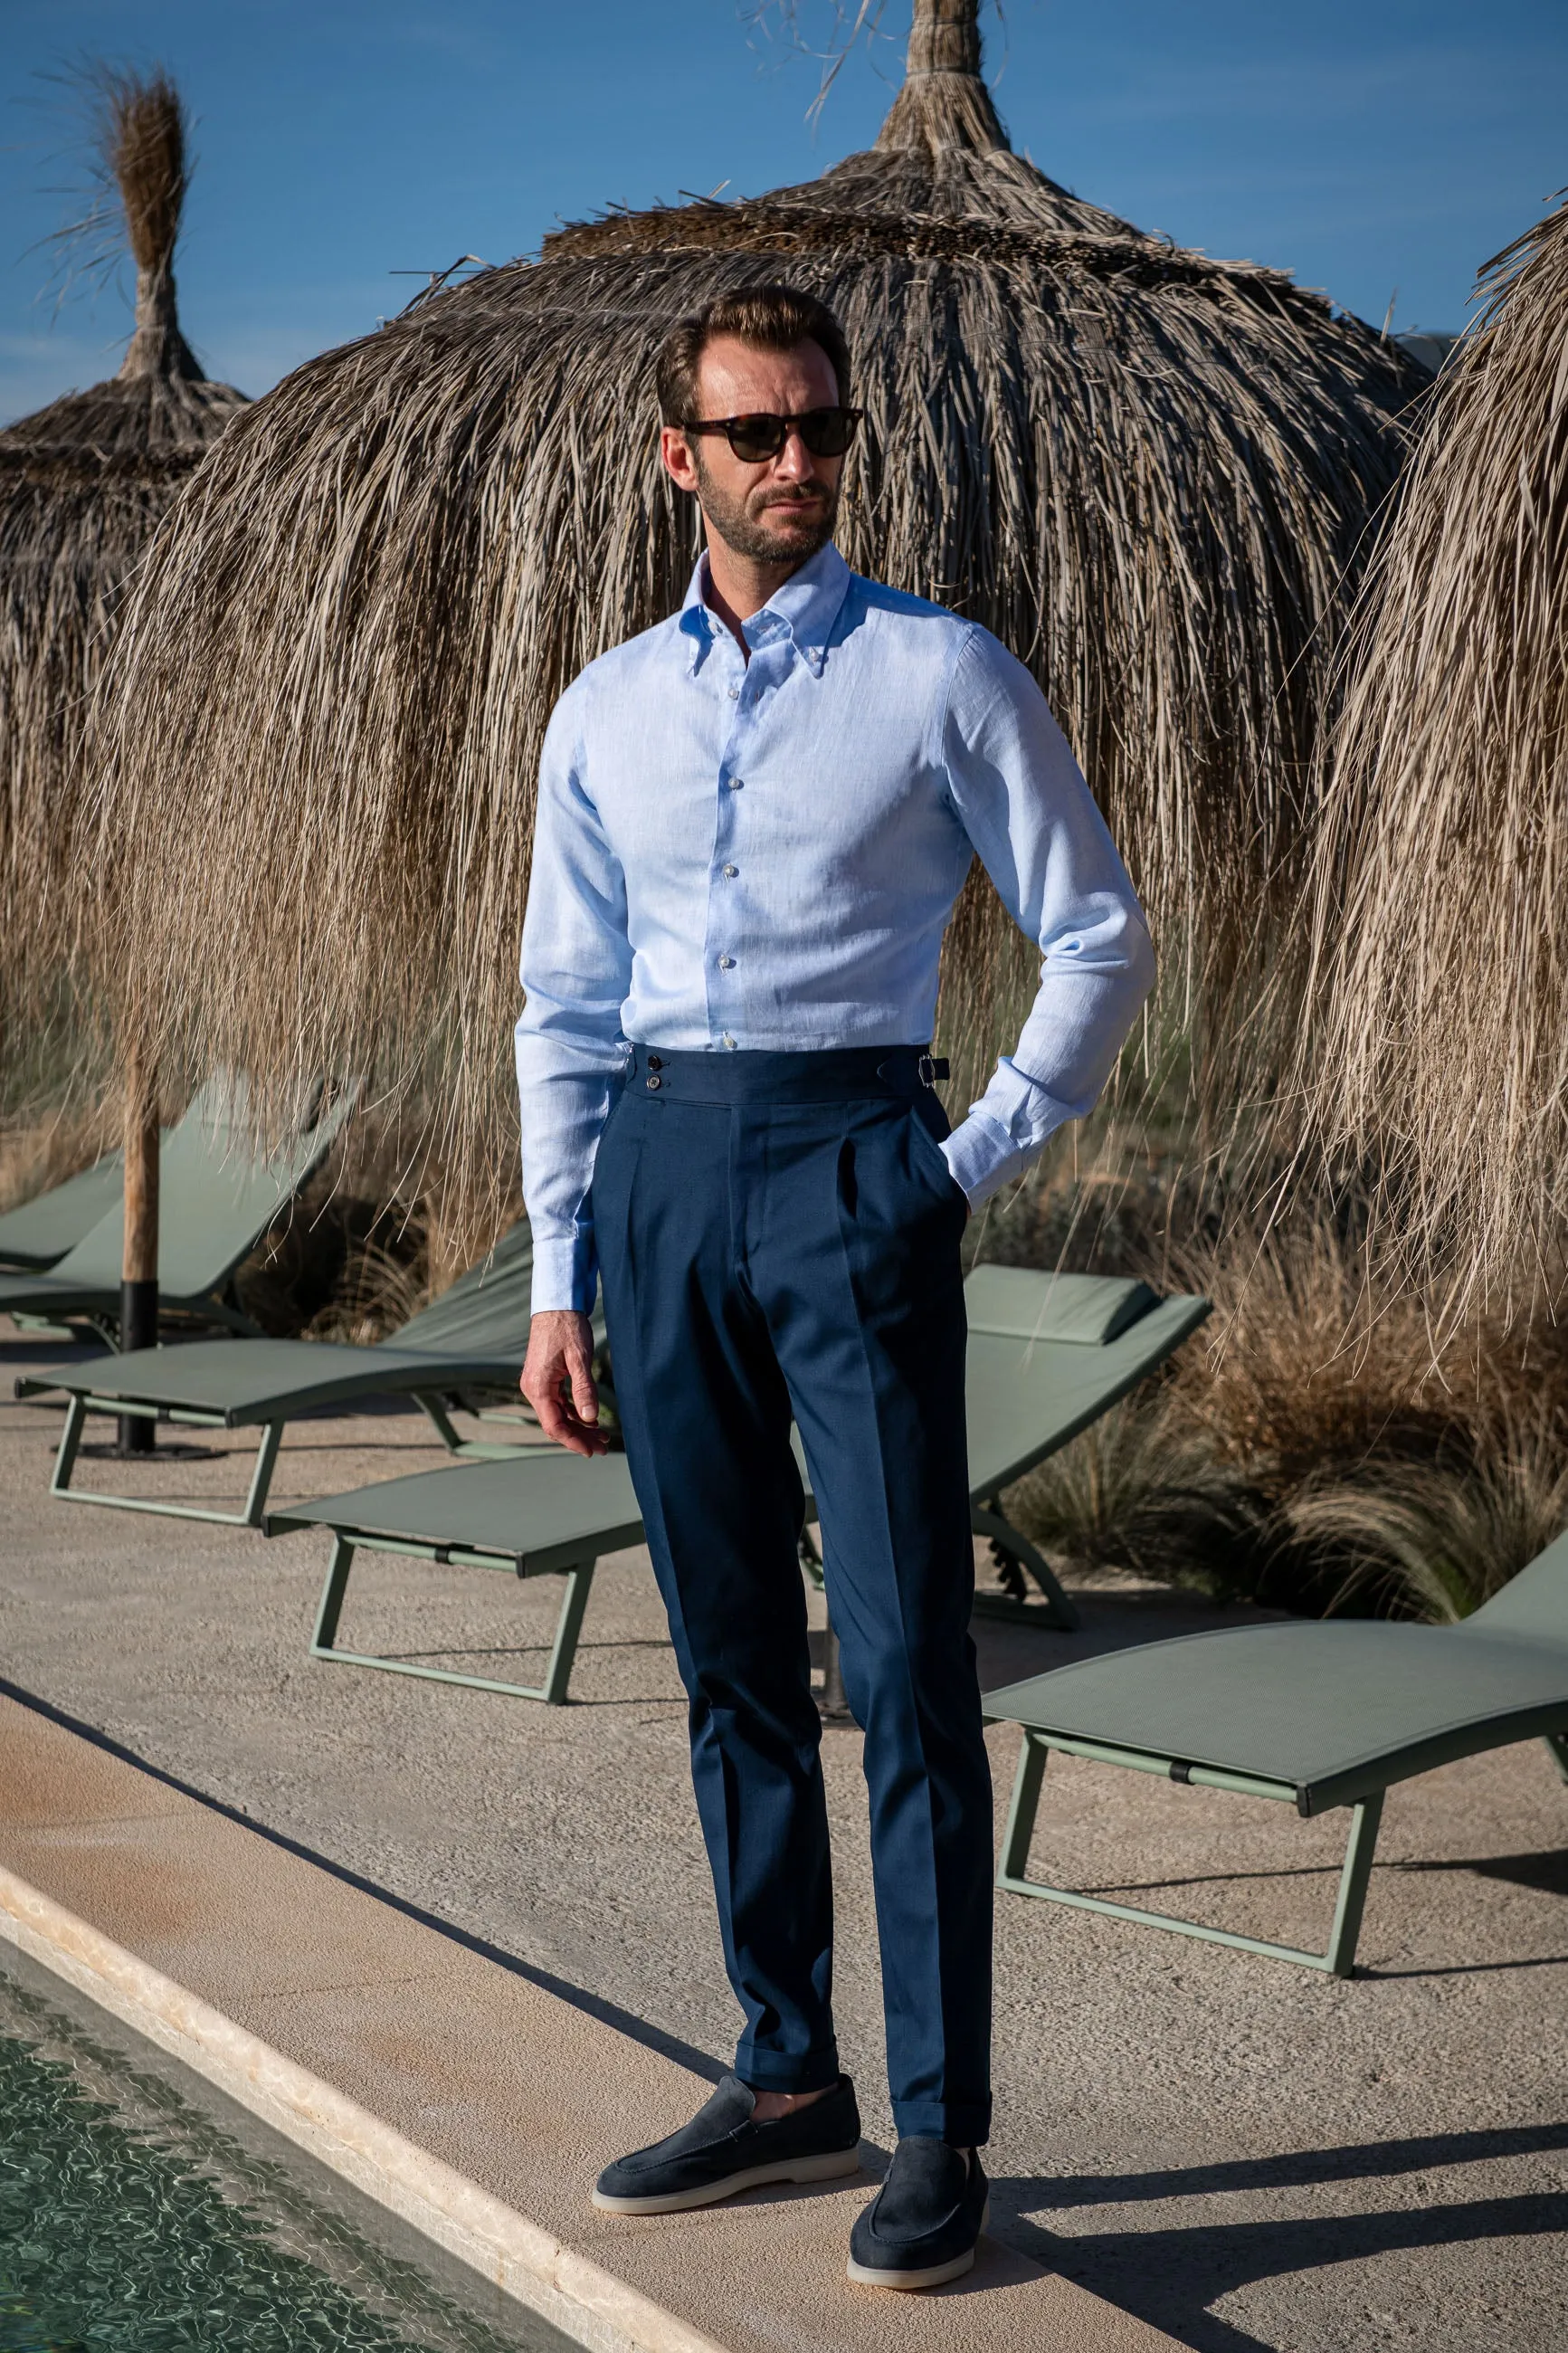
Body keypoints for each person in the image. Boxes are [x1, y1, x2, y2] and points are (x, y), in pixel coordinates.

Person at [516, 284, 1153, 2291]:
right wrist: (559, 1266)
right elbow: (560, 1002)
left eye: (822, 431)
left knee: (900, 1668)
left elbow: (1096, 931)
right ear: (675, 453)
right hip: (660, 1174)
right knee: (723, 1653)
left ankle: (938, 2121)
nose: (798, 464)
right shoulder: (600, 709)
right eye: (757, 433)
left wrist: (954, 1165)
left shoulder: (938, 671)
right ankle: (785, 2073)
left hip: (853, 1161)